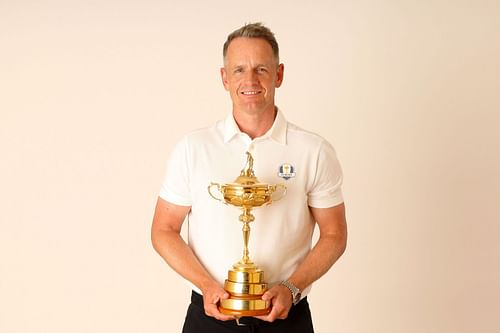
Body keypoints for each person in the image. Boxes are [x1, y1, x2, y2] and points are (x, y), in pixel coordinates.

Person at [151, 22, 347, 332]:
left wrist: (292, 288)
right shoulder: (194, 148)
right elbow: (163, 229)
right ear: (224, 78)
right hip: (210, 318)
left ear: (279, 74)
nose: (250, 80)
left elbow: (335, 234)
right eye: (239, 69)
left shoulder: (314, 150)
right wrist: (206, 284)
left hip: (287, 318)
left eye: (261, 69)